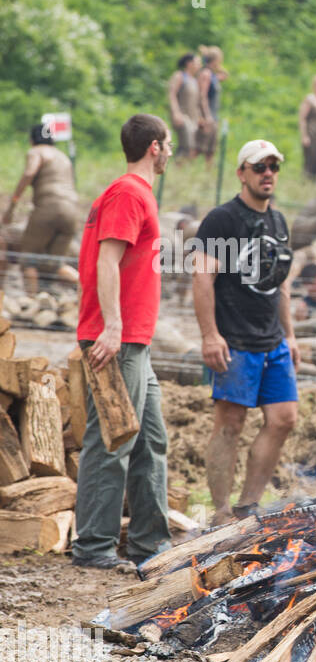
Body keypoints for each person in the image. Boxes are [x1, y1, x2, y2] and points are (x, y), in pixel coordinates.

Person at [71, 114, 173, 569]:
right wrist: (111, 327)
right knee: (111, 442)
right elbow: (106, 261)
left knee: (151, 440)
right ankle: (92, 547)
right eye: (167, 144)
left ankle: (152, 544)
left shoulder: (133, 194)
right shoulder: (129, 194)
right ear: (154, 147)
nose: (170, 152)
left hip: (136, 341)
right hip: (119, 339)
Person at [191, 140, 299, 524]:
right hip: (234, 341)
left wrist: (291, 335)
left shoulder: (279, 222)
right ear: (242, 173)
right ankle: (220, 512)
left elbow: (280, 283)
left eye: (273, 166)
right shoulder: (222, 220)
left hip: (273, 341)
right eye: (259, 167)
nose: (267, 173)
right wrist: (209, 335)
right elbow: (202, 278)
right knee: (230, 424)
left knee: (284, 418)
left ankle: (248, 505)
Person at [3, 123, 80, 295]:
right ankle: (88, 287)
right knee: (53, 264)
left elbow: (30, 172)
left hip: (48, 207)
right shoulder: (63, 157)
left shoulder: (36, 151)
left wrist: (13, 203)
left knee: (28, 260)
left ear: (32, 140)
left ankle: (32, 302)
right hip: (72, 211)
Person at [167, 53, 204, 161]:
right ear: (189, 63)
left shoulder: (194, 80)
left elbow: (196, 102)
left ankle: (185, 168)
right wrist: (176, 113)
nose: (199, 65)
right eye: (197, 63)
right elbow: (172, 94)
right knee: (187, 145)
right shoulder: (179, 76)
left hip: (193, 118)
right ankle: (178, 166)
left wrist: (200, 117)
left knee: (193, 146)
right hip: (182, 116)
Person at [195, 46, 227, 164]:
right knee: (199, 147)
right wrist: (207, 116)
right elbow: (202, 96)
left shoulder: (213, 74)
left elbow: (225, 75)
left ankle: (208, 174)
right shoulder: (206, 74)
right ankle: (183, 168)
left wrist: (217, 66)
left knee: (211, 150)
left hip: (213, 116)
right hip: (207, 115)